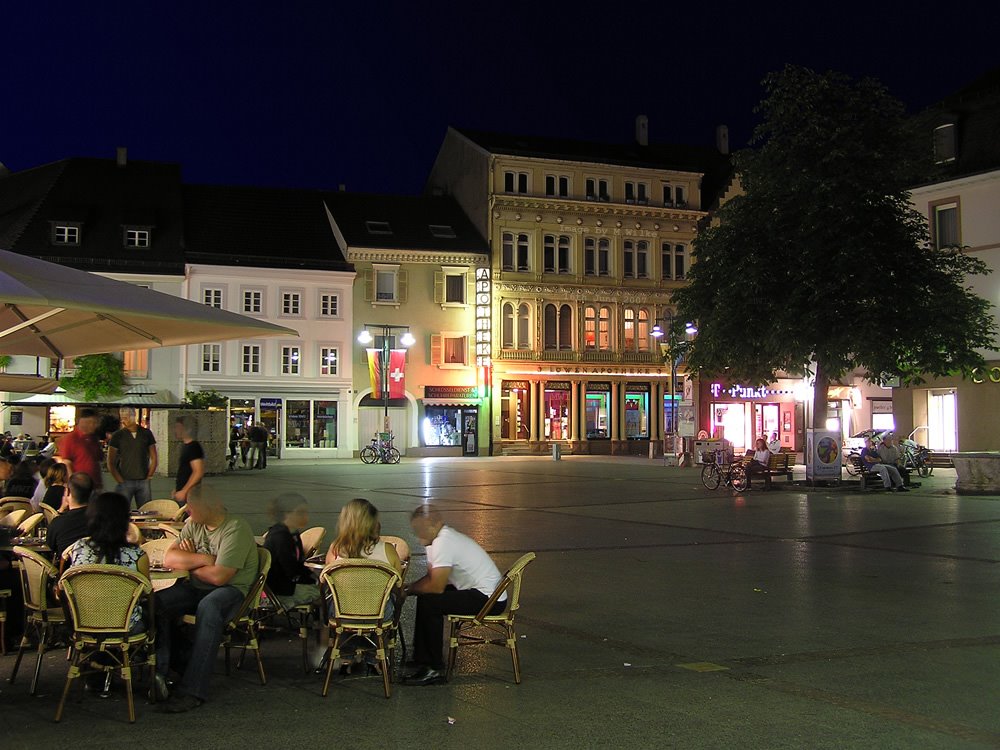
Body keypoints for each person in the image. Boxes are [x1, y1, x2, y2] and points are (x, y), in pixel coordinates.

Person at [154, 484, 258, 713]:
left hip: (233, 591)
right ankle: (170, 666)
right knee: (156, 603)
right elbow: (169, 559)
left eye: (192, 507)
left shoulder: (235, 528)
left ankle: (193, 690)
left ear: (209, 506)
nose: (187, 511)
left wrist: (190, 563)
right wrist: (204, 558)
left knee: (209, 607)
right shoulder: (194, 524)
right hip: (198, 587)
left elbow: (220, 577)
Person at [403, 504, 505, 686]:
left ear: (436, 524)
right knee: (425, 598)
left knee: (431, 603)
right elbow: (431, 577)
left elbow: (436, 586)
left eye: (422, 530)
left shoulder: (445, 540)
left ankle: (434, 667)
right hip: (478, 591)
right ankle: (423, 658)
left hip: (489, 598)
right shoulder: (433, 540)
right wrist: (410, 588)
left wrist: (408, 590)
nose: (419, 538)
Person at [63, 491, 150, 696]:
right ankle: (160, 673)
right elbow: (146, 593)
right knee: (160, 615)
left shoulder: (77, 549)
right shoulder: (137, 555)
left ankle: (96, 672)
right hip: (125, 626)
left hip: (84, 622)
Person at [262, 493, 320, 609]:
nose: (305, 517)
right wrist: (312, 580)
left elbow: (298, 565)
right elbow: (290, 569)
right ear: (286, 514)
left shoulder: (293, 533)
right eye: (300, 513)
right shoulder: (280, 537)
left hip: (287, 586)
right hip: (279, 591)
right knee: (323, 594)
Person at [107, 408, 158, 509]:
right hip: (125, 479)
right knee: (121, 510)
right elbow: (110, 461)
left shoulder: (146, 433)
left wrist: (149, 475)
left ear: (133, 416)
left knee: (145, 510)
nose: (123, 421)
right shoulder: (118, 435)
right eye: (122, 418)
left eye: (126, 417)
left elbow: (154, 456)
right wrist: (119, 479)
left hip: (143, 479)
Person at [46, 472, 95, 558]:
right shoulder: (102, 521)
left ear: (68, 492)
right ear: (92, 494)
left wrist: (61, 510)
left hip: (68, 570)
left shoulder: (58, 523)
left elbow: (50, 546)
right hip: (99, 569)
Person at [57, 408, 104, 491]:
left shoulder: (93, 438)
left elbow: (98, 458)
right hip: (80, 485)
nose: (94, 426)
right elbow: (67, 462)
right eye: (91, 422)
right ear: (82, 422)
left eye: (95, 423)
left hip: (95, 483)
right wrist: (73, 485)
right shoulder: (70, 438)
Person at [173, 415, 204, 504]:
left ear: (187, 429)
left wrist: (184, 491)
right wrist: (177, 488)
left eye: (179, 427)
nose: (176, 430)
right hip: (183, 492)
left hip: (190, 494)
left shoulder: (194, 447)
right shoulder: (186, 446)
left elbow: (198, 471)